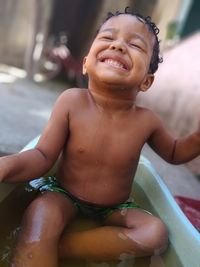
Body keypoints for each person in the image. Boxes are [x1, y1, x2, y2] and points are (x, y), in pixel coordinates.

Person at [0, 8, 200, 267]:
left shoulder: (146, 120)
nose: (118, 46)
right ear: (85, 63)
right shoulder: (71, 102)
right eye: (108, 38)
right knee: (41, 212)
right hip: (63, 194)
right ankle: (42, 246)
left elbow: (174, 152)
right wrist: (6, 165)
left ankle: (63, 247)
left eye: (135, 44)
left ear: (146, 82)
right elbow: (42, 156)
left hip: (114, 209)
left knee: (155, 232)